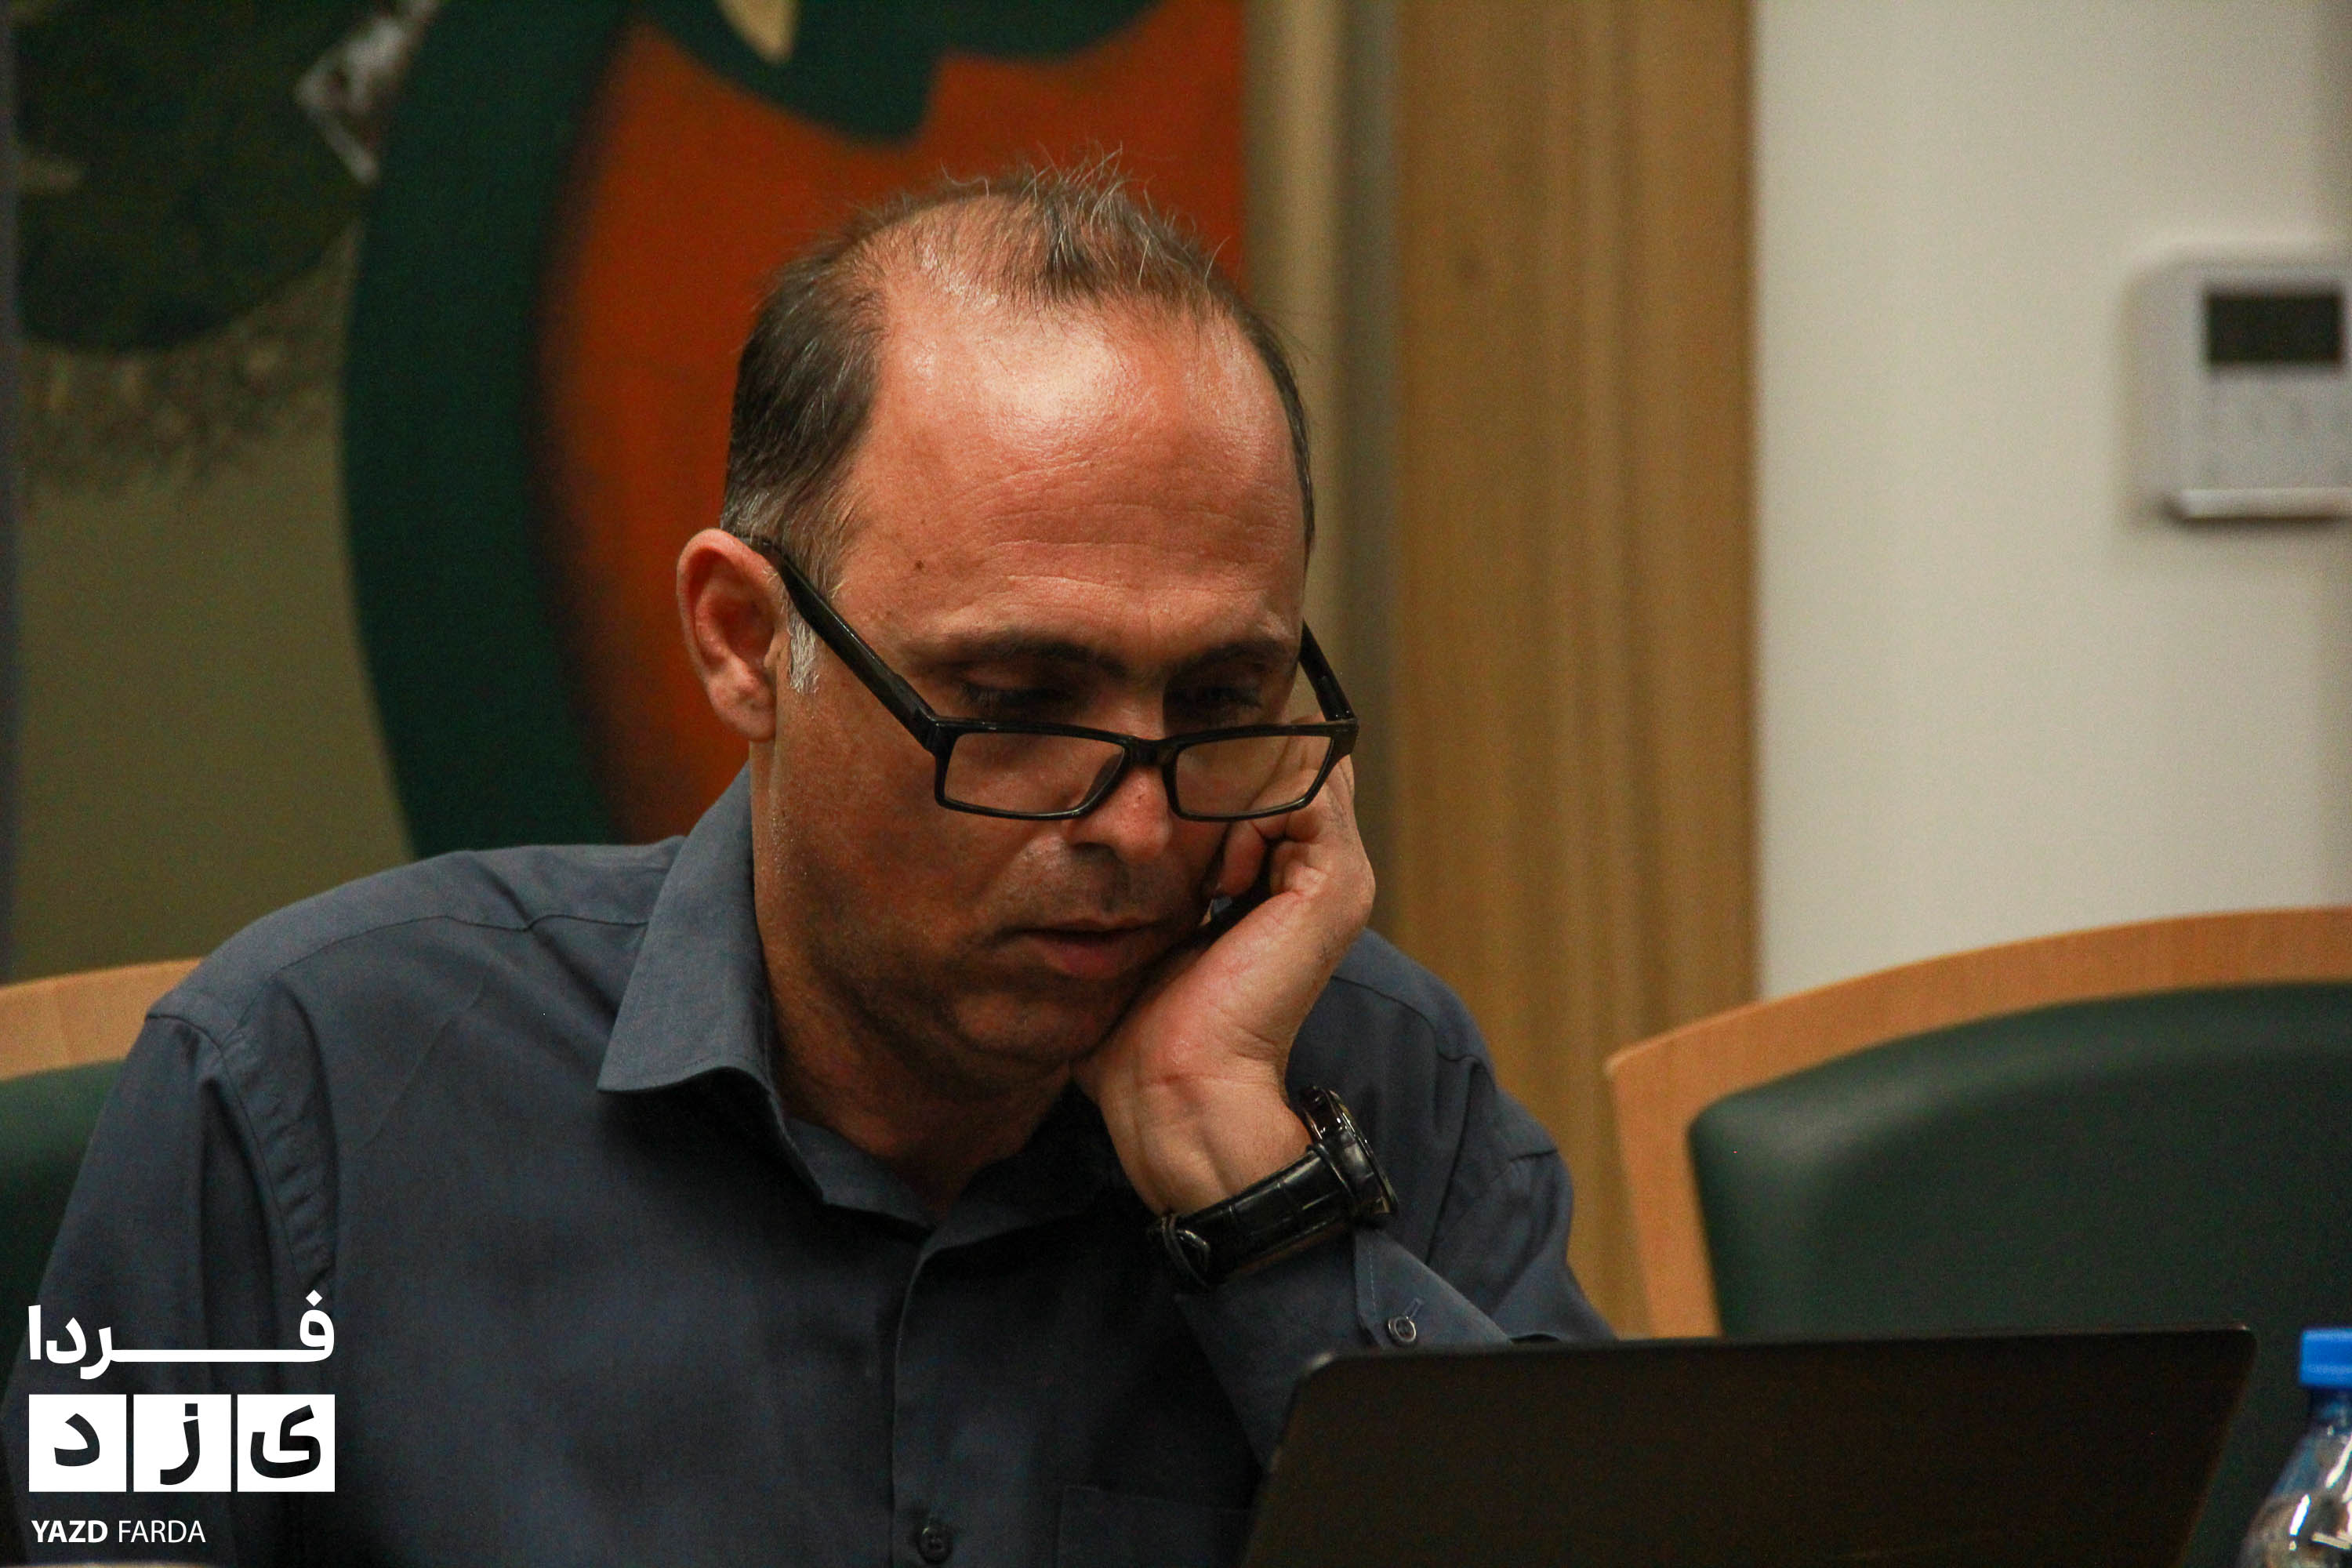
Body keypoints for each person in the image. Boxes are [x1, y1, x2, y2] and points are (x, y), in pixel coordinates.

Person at [5, 165, 1608, 1566]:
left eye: (1218, 701)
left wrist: (1254, 1195)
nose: (1137, 830)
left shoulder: (1370, 1088)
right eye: (1016, 703)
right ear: (745, 643)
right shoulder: (309, 1099)